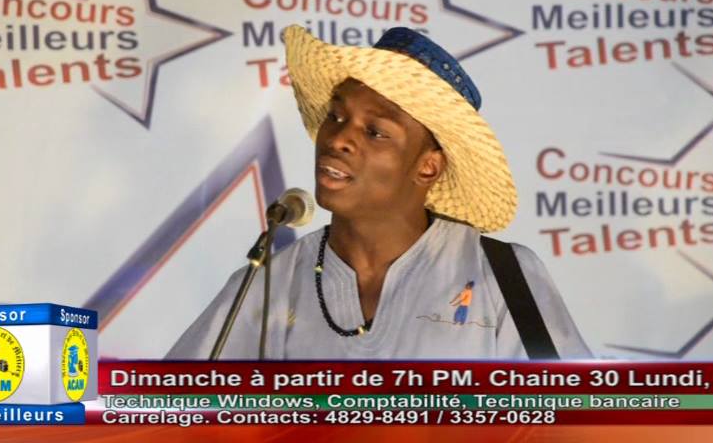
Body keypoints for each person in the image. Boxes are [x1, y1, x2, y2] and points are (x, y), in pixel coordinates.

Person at [166, 25, 591, 360]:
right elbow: (168, 414)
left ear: (428, 166)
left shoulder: (500, 276)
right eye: (336, 117)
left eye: (375, 132)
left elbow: (579, 420)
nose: (338, 139)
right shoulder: (269, 284)